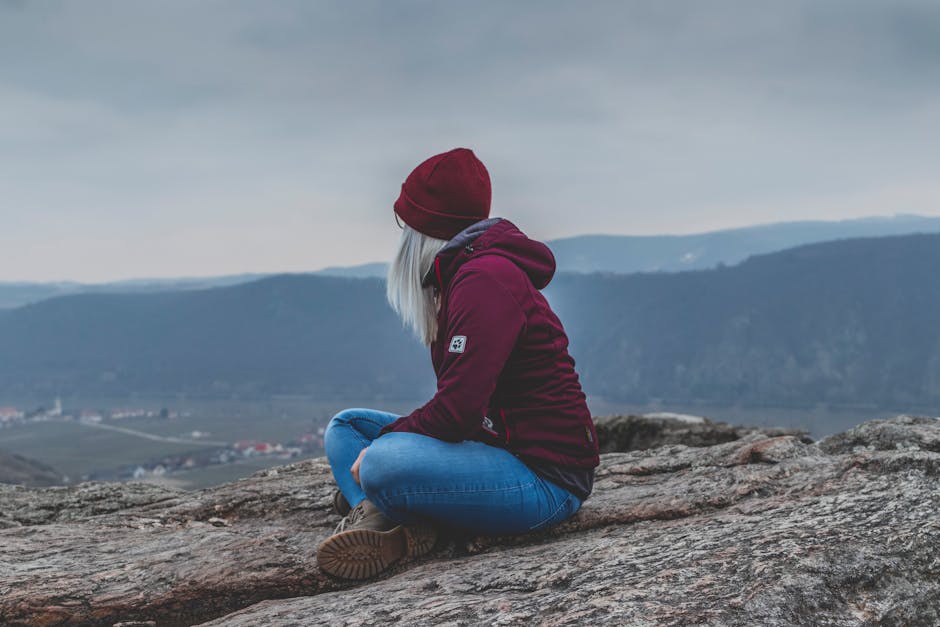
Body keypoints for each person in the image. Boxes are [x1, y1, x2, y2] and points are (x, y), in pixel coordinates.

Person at [316, 147, 599, 580]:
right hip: (497, 446)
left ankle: (385, 509)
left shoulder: (483, 281)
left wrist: (385, 443)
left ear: (425, 229)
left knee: (379, 461)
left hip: (546, 481)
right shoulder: (461, 276)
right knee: (346, 428)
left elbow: (456, 414)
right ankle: (387, 514)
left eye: (404, 223)